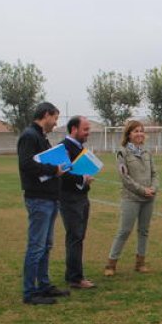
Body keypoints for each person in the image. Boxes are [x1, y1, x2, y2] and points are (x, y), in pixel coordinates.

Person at [16, 101, 71, 305]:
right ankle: (30, 292)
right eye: (55, 118)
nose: (56, 123)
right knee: (36, 246)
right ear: (46, 115)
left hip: (49, 197)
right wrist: (53, 170)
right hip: (38, 198)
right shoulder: (29, 136)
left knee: (46, 245)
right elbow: (26, 164)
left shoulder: (40, 136)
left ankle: (44, 285)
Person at [106, 119, 159, 275]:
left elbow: (155, 173)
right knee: (124, 231)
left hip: (149, 198)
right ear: (129, 134)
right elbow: (125, 178)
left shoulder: (147, 152)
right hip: (131, 198)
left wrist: (154, 188)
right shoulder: (122, 152)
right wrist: (143, 190)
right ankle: (111, 265)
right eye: (136, 131)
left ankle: (140, 263)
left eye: (141, 131)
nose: (140, 134)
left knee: (144, 231)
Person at [59, 115, 96, 289]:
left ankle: (73, 274)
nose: (88, 133)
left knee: (78, 236)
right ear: (74, 129)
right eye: (85, 129)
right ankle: (75, 278)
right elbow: (63, 174)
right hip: (70, 199)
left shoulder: (79, 148)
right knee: (75, 237)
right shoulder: (64, 148)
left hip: (81, 197)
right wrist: (82, 179)